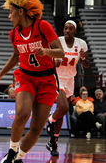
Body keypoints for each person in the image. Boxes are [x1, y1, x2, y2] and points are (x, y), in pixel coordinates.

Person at [0, 0, 64, 163]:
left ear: (20, 11)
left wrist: (46, 51)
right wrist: (1, 74)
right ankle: (12, 151)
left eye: (10, 12)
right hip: (25, 76)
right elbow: (16, 56)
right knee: (22, 114)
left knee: (37, 128)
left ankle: (19, 158)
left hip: (47, 80)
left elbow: (60, 52)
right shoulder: (13, 33)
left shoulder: (42, 26)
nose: (9, 16)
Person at [45, 19, 90, 156]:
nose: (67, 31)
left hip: (70, 79)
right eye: (65, 28)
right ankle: (50, 119)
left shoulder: (81, 44)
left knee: (63, 113)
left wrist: (83, 59)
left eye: (70, 29)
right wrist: (54, 61)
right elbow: (46, 56)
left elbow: (87, 65)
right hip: (57, 78)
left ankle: (54, 142)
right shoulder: (57, 41)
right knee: (64, 108)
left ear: (75, 31)